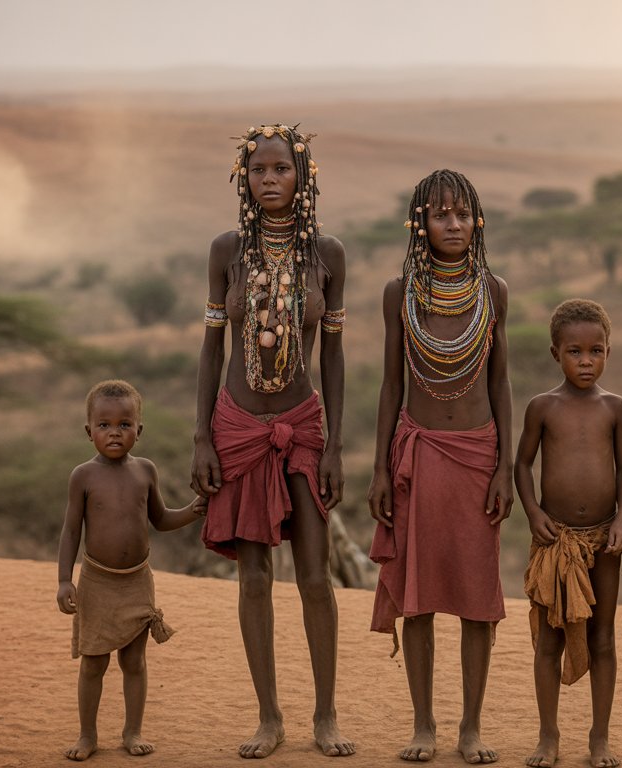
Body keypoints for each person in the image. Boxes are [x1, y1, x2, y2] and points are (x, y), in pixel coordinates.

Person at [190, 124, 354, 758]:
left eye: (281, 169)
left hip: (303, 428)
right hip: (236, 425)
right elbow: (211, 349)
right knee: (254, 577)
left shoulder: (328, 255)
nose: (269, 180)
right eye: (258, 170)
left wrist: (336, 444)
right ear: (244, 179)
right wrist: (202, 435)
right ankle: (268, 717)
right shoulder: (226, 250)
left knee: (315, 578)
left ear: (301, 175)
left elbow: (334, 358)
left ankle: (326, 716)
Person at [368, 169, 514, 765]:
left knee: (478, 598)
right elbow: (390, 384)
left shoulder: (493, 291)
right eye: (439, 214)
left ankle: (471, 727)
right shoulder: (398, 293)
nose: (452, 224)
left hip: (478, 458)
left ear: (476, 220)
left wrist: (504, 465)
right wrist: (380, 469)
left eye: (461, 214)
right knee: (419, 596)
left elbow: (500, 381)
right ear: (419, 223)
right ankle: (423, 725)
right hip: (419, 457)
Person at [56, 379, 206, 761]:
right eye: (104, 425)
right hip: (96, 581)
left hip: (137, 581)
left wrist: (194, 509)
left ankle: (132, 731)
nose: (114, 433)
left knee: (134, 661)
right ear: (88, 430)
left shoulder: (145, 472)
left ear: (139, 430)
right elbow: (72, 530)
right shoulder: (82, 476)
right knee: (93, 663)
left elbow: (161, 518)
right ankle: (87, 735)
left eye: (124, 424)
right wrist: (63, 581)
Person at [514, 299, 622, 768]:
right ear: (555, 354)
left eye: (596, 351)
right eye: (575, 352)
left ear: (608, 352)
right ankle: (548, 736)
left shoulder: (615, 408)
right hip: (554, 540)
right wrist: (532, 512)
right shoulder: (542, 407)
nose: (586, 361)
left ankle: (599, 738)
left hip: (604, 540)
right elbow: (522, 464)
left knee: (602, 639)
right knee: (549, 639)